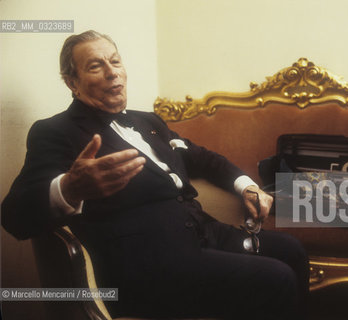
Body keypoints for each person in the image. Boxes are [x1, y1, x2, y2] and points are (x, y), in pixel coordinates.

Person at [1, 30, 309, 319]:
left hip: (204, 236)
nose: (112, 72)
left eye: (115, 60)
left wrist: (247, 186)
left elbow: (203, 159)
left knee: (292, 250)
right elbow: (15, 215)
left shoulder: (148, 121)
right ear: (72, 83)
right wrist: (69, 188)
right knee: (276, 279)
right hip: (146, 266)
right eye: (96, 66)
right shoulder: (55, 132)